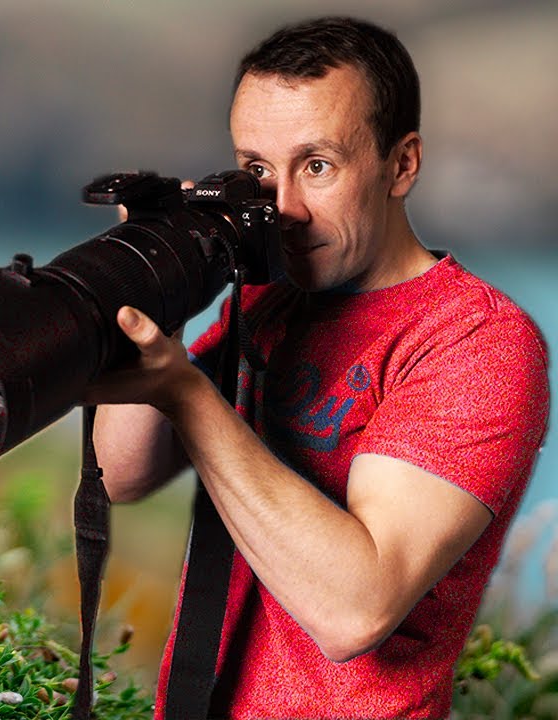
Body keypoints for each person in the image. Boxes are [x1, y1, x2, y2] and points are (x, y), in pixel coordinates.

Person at [85, 16, 550, 719]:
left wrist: (185, 390)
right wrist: (161, 287)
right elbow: (122, 473)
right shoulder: (273, 302)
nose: (285, 208)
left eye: (318, 165)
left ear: (402, 164)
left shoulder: (475, 341)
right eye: (257, 171)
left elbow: (355, 611)